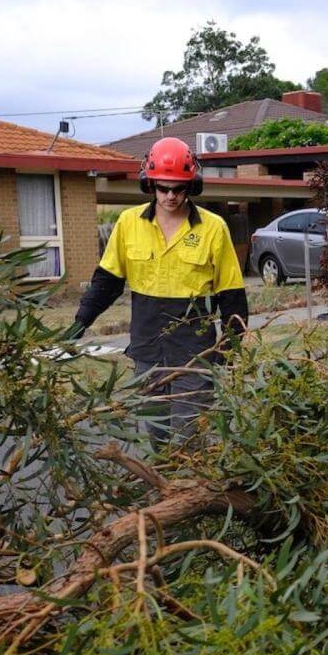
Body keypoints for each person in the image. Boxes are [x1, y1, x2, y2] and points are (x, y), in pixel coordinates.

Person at [73, 136, 248, 443]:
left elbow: (232, 295)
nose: (170, 196)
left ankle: (194, 489)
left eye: (179, 188)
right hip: (147, 349)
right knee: (156, 434)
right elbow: (108, 281)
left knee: (189, 434)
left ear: (191, 185)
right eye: (163, 187)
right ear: (149, 183)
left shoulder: (213, 227)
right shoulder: (128, 223)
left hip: (195, 352)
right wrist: (80, 321)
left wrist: (228, 349)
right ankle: (165, 491)